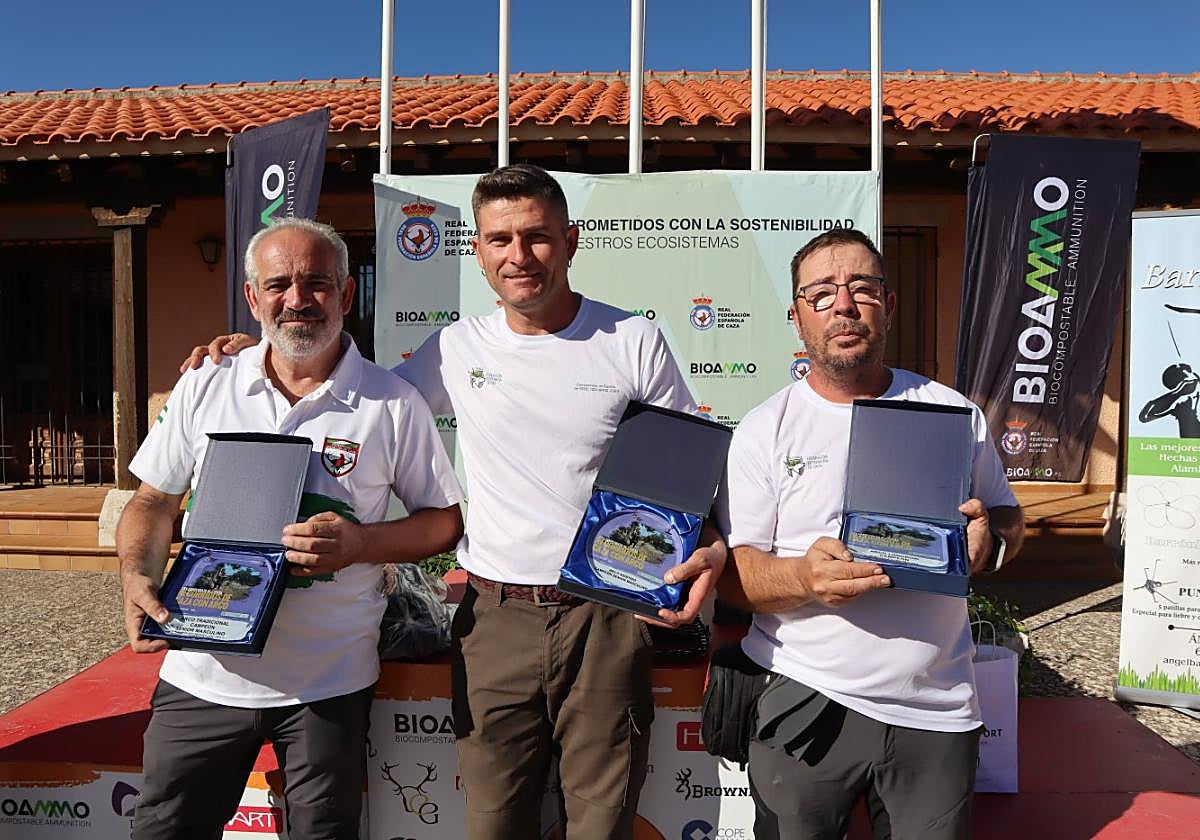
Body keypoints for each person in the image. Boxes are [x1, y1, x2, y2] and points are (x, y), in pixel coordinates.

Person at [181, 164, 726, 839]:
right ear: (479, 251)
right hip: (494, 619)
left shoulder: (631, 341)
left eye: (537, 237)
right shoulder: (454, 349)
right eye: (499, 240)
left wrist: (709, 545)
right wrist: (252, 354)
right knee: (494, 823)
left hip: (606, 620)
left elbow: (684, 470)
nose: (518, 256)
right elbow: (359, 399)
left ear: (571, 240)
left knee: (602, 823)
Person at [120, 217, 464, 840]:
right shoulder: (206, 382)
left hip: (328, 682)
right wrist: (136, 577)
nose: (298, 299)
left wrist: (363, 544)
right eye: (278, 284)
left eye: (317, 283)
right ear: (252, 298)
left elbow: (442, 522)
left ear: (346, 294)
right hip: (202, 673)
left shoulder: (392, 402)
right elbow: (151, 500)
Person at [715, 227, 1024, 840]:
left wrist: (992, 545)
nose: (845, 306)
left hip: (935, 705)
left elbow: (1006, 516)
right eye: (823, 293)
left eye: (863, 288)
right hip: (805, 695)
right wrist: (804, 577)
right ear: (797, 317)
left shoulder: (951, 412)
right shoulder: (764, 429)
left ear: (889, 305)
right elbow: (734, 574)